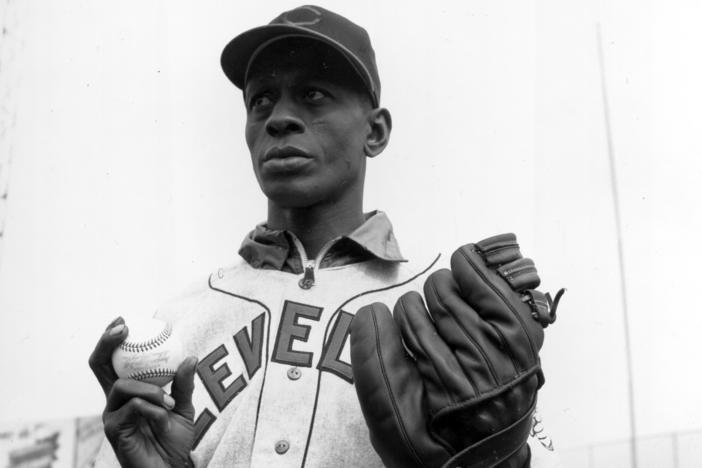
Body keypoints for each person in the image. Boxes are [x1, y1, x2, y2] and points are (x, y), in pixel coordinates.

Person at [89, 5, 562, 467]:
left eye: (313, 94)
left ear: (374, 132)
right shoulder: (180, 320)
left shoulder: (443, 305)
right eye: (261, 100)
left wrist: (500, 458)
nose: (279, 118)